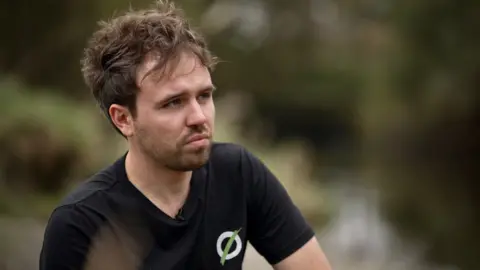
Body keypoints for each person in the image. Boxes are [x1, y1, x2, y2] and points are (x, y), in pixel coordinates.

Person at [39, 1, 332, 269]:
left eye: (204, 96)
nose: (199, 117)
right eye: (173, 102)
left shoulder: (238, 174)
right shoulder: (81, 224)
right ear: (124, 118)